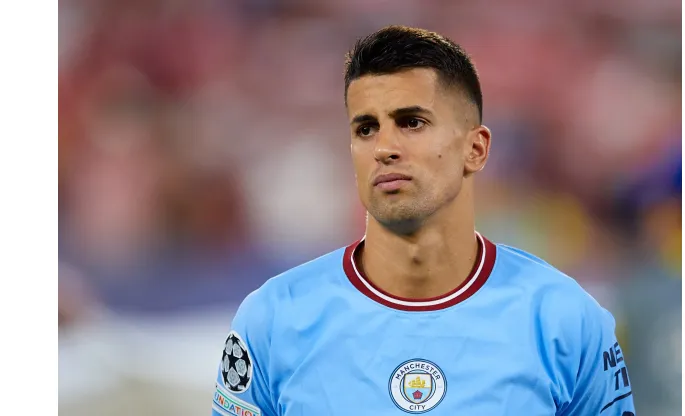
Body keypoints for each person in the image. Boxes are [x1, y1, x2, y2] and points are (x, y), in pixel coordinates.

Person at [211, 25, 636, 416]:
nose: (384, 148)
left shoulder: (565, 321)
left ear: (476, 148)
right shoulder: (274, 320)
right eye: (365, 128)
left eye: (411, 122)